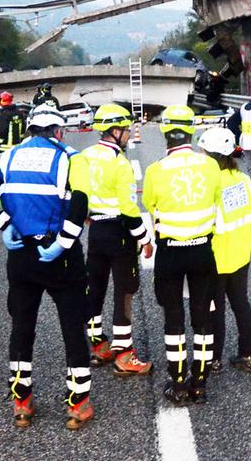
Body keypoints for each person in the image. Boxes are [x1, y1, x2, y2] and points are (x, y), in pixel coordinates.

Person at [0, 104, 94, 430]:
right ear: (58, 131)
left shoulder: (7, 158)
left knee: (22, 326)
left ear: (29, 131)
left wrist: (2, 222)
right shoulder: (69, 158)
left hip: (21, 253)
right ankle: (77, 405)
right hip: (59, 255)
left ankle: (21, 402)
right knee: (72, 326)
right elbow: (80, 201)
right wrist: (64, 242)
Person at [142, 104, 222, 406]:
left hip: (170, 253)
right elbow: (217, 203)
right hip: (203, 250)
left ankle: (177, 383)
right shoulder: (210, 166)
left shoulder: (154, 171)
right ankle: (200, 383)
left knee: (173, 319)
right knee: (203, 318)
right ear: (192, 130)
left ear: (165, 132)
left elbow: (151, 207)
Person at [80, 104, 153, 376]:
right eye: (124, 129)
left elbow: (77, 191)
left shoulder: (85, 156)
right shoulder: (120, 163)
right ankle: (124, 354)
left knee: (95, 287)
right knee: (124, 291)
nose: (127, 135)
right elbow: (129, 209)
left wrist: (87, 214)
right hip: (119, 233)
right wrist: (145, 238)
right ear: (115, 130)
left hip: (96, 230)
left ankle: (98, 345)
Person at [197, 127, 251, 376]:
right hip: (241, 253)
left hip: (216, 256)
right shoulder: (243, 180)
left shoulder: (210, 184)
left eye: (203, 152)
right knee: (241, 303)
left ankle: (213, 359)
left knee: (215, 309)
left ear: (212, 156)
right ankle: (248, 354)